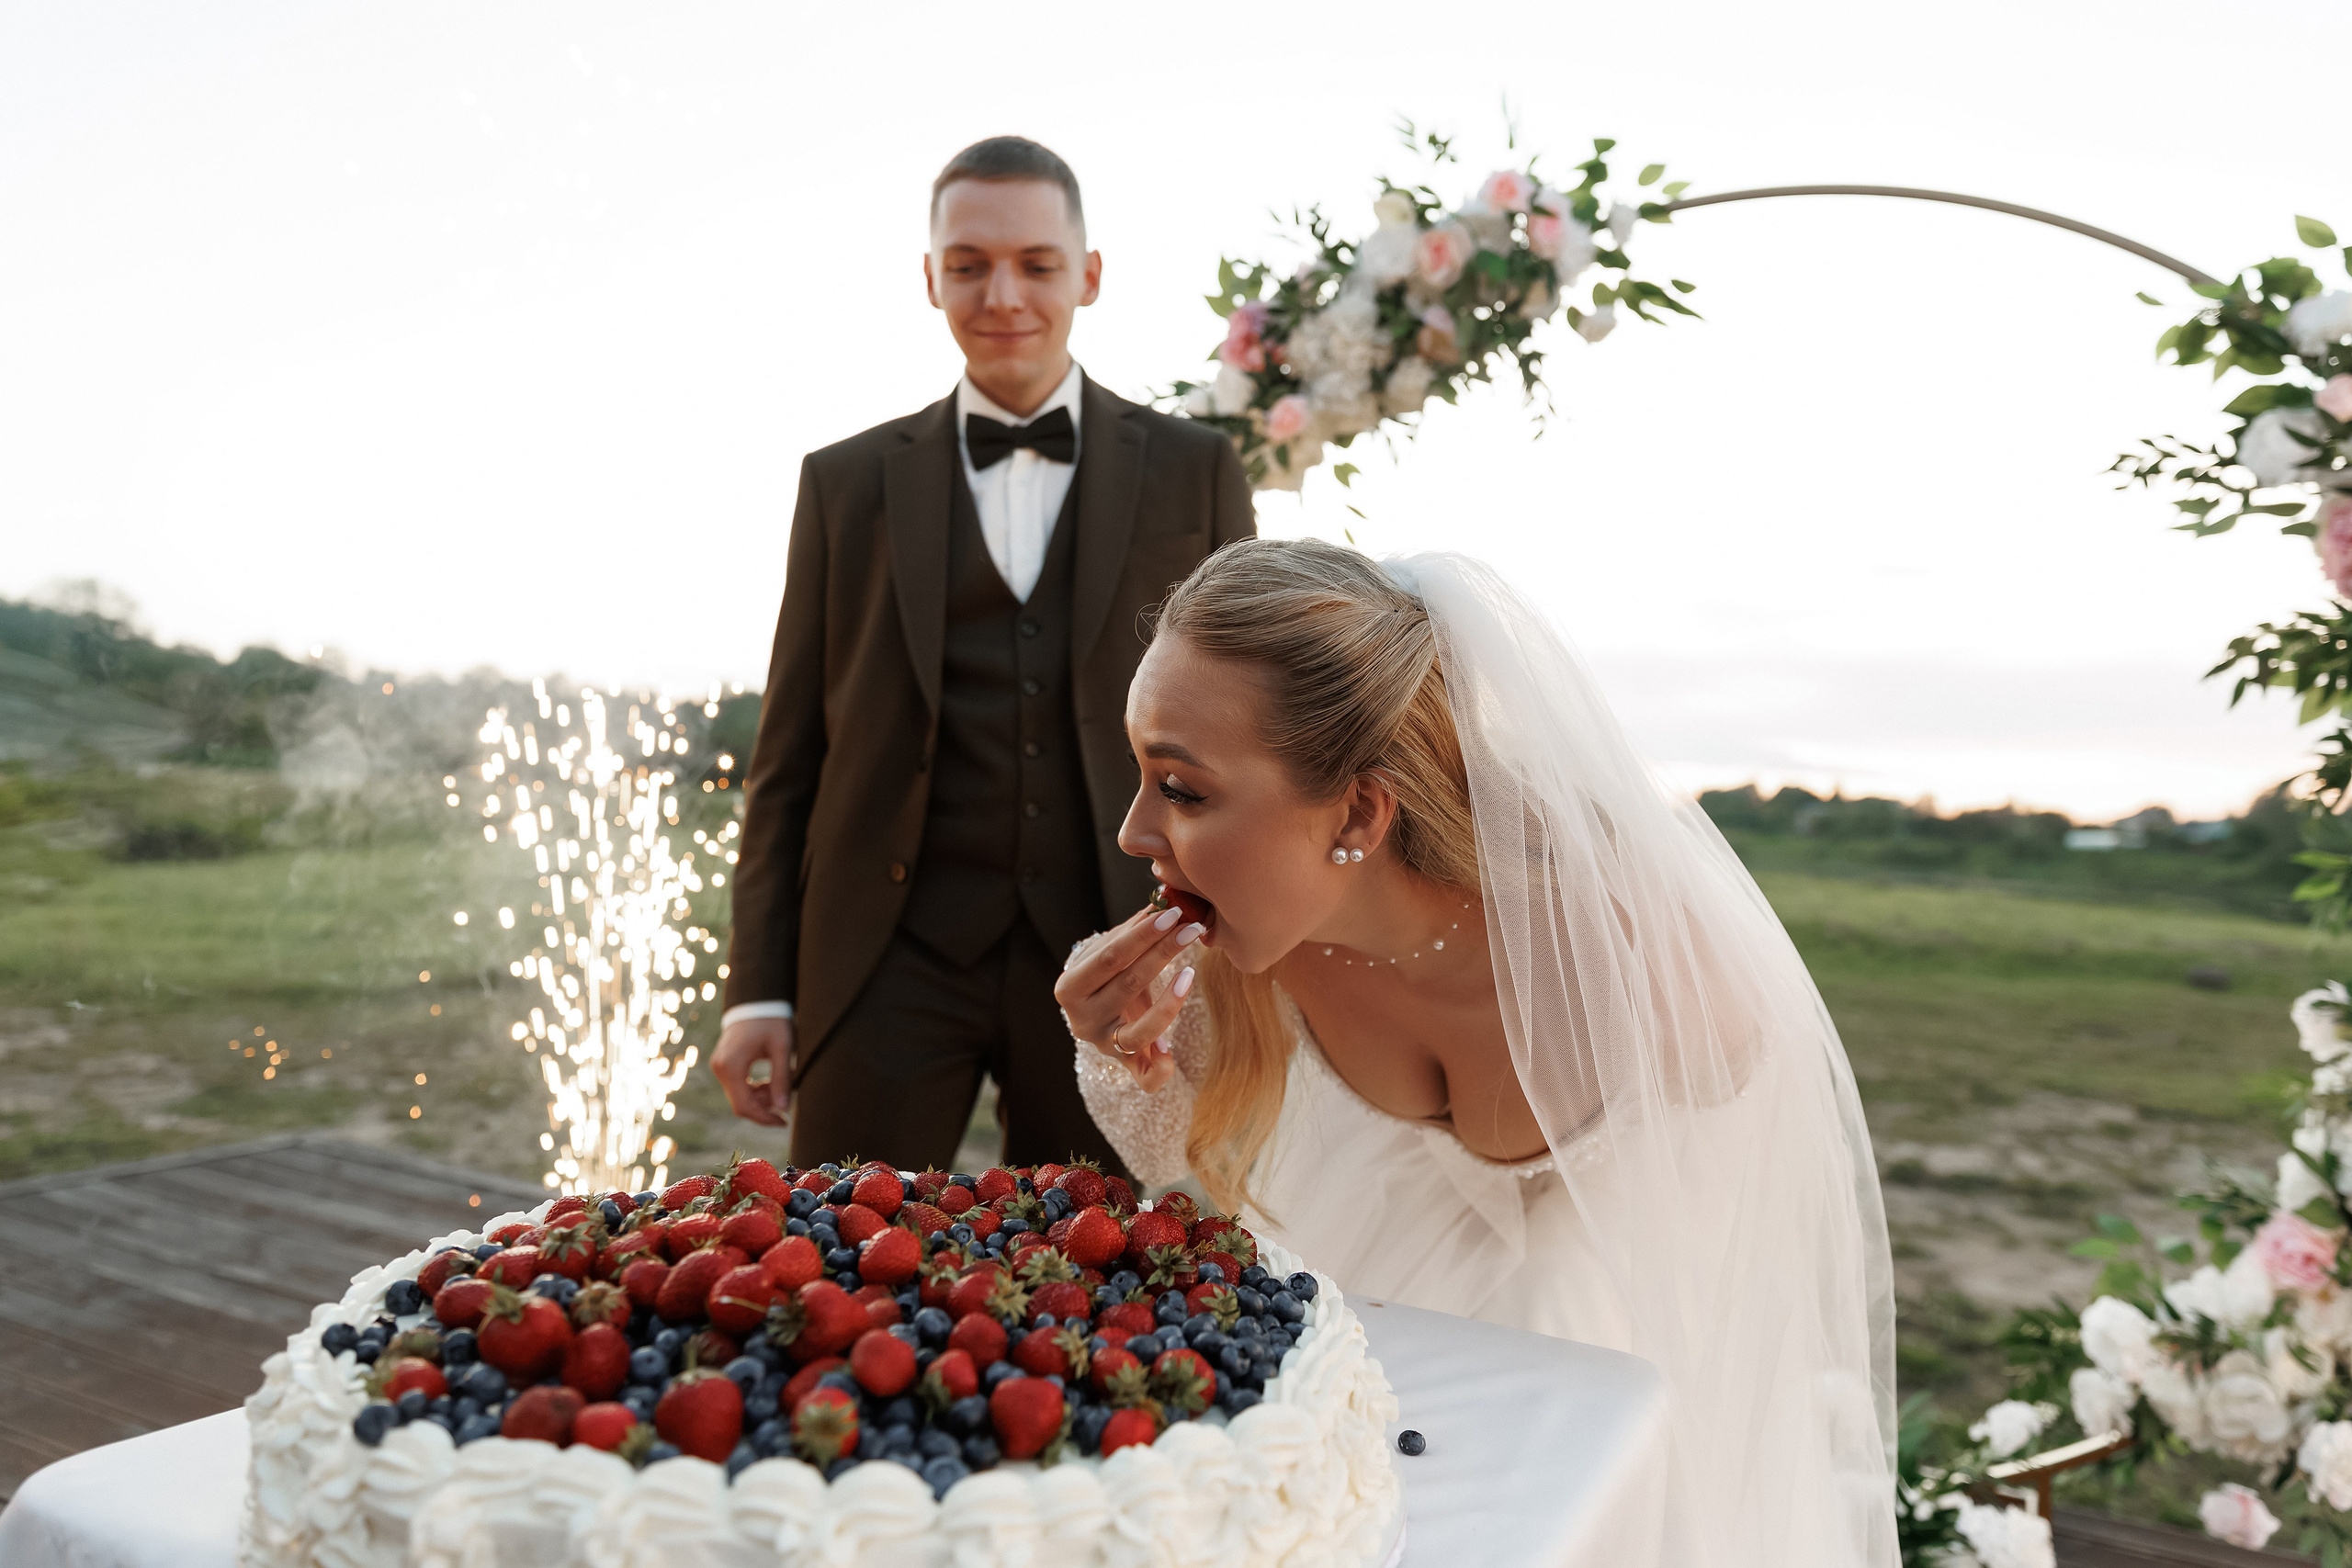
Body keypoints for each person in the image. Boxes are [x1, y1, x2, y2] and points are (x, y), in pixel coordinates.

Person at [1057, 539, 1898, 1566]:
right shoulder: (1236, 949)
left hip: (1607, 1362)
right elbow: (1191, 1191)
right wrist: (1130, 1062)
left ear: (1359, 811)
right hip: (1359, 1330)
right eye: (1144, 776)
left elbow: (1737, 1253)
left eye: (1182, 790)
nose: (1133, 831)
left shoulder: (1647, 972)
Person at [711, 136, 1257, 1172]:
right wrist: (758, 991)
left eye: (1036, 264)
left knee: (1101, 1254)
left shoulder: (1196, 469)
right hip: (886, 955)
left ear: (1088, 274)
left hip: (1119, 943)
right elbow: (790, 756)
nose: (1002, 295)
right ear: (931, 278)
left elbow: (1247, 729)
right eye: (969, 265)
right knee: (836, 1238)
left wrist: (1238, 955)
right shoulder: (844, 485)